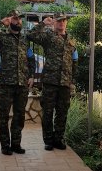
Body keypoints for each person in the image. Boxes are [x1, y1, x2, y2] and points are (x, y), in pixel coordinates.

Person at [0, 10, 35, 155]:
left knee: (19, 115)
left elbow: (31, 58)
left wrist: (31, 75)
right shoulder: (2, 38)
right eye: (15, 19)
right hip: (7, 83)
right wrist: (1, 23)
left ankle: (16, 144)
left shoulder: (25, 40)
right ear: (10, 20)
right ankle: (5, 145)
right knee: (3, 115)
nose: (18, 21)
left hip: (22, 84)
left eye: (19, 19)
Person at [27, 12, 78, 151]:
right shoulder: (48, 36)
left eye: (64, 21)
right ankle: (48, 140)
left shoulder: (71, 40)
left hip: (65, 83)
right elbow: (30, 35)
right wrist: (43, 23)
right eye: (59, 21)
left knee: (62, 112)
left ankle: (58, 139)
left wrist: (72, 81)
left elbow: (74, 62)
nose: (61, 23)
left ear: (66, 22)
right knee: (48, 112)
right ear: (54, 22)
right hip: (50, 81)